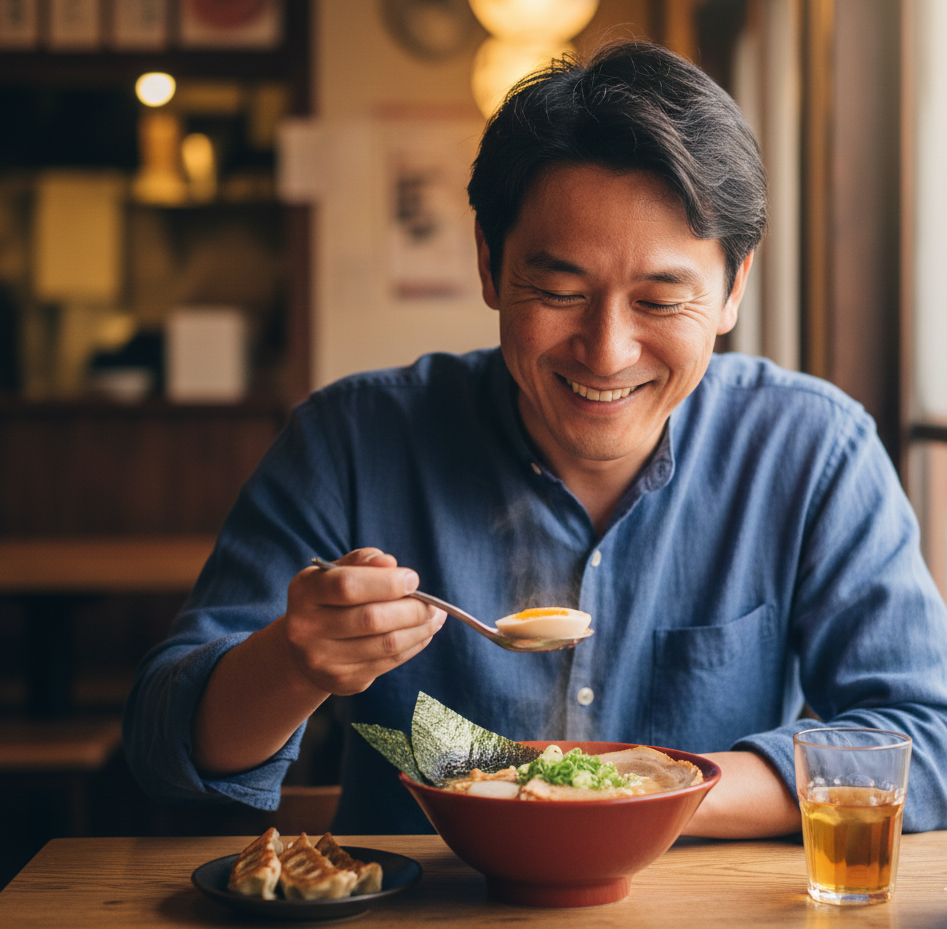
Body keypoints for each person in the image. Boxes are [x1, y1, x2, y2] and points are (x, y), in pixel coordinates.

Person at [124, 41, 947, 837]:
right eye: (558, 290)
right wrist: (291, 663)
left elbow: (927, 738)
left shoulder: (810, 449)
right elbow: (163, 750)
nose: (606, 352)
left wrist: (637, 794)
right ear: (489, 265)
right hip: (422, 906)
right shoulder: (350, 441)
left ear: (733, 287)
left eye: (660, 301)